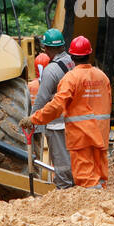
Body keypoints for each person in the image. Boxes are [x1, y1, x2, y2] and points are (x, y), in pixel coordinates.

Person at [22, 36, 112, 188]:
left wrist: (34, 119)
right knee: (99, 174)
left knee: (85, 178)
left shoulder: (71, 78)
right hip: (100, 134)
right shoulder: (102, 76)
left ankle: (90, 207)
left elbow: (56, 106)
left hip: (81, 136)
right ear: (89, 54)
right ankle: (102, 203)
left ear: (72, 56)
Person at [31, 29, 75, 188]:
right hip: (75, 120)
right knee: (73, 158)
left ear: (48, 48)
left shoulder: (51, 70)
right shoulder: (72, 62)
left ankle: (64, 191)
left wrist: (31, 119)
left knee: (61, 161)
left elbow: (42, 98)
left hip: (57, 122)